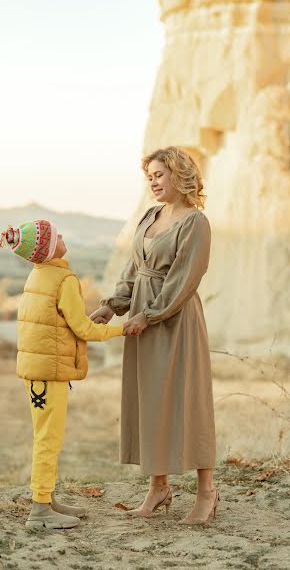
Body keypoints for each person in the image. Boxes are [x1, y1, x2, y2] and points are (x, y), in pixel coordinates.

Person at [91, 146, 219, 525]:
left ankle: (207, 492)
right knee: (150, 402)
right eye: (149, 175)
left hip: (174, 319)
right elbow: (134, 267)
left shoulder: (195, 223)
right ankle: (158, 488)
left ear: (179, 176)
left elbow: (184, 279)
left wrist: (151, 313)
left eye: (159, 174)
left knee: (188, 400)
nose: (152, 181)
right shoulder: (150, 215)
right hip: (141, 317)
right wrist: (114, 304)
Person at [0, 219, 125, 529]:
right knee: (48, 439)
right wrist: (124, 329)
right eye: (57, 235)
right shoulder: (63, 279)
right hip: (50, 373)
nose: (63, 236)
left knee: (44, 436)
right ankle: (41, 510)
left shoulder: (38, 276)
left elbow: (63, 323)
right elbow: (81, 328)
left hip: (36, 373)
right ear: (49, 247)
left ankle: (47, 499)